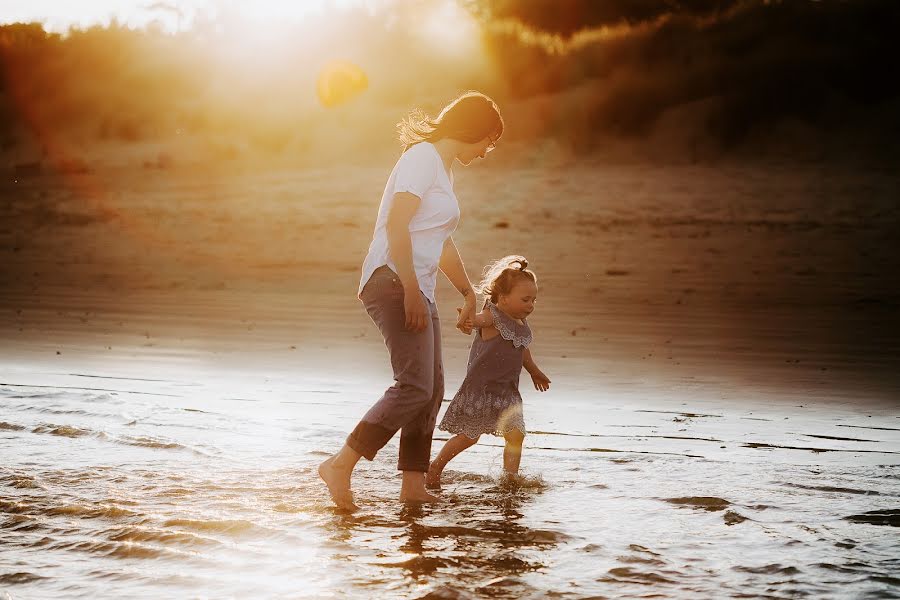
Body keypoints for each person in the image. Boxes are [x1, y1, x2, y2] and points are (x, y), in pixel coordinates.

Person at [318, 91, 504, 510]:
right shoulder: (422, 158)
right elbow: (397, 225)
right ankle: (340, 465)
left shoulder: (442, 168)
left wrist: (468, 291)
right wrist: (408, 290)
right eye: (488, 140)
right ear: (472, 128)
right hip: (392, 280)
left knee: (432, 389)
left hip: (414, 284)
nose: (487, 151)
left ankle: (413, 487)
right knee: (414, 386)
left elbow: (438, 240)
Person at [426, 256, 551, 488]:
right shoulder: (493, 316)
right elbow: (478, 320)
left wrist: (534, 371)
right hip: (482, 390)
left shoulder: (521, 323)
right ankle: (435, 468)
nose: (530, 305)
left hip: (507, 392)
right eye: (525, 299)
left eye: (534, 300)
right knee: (469, 436)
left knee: (516, 435)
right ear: (503, 299)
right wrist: (468, 319)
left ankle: (509, 479)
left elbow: (522, 349)